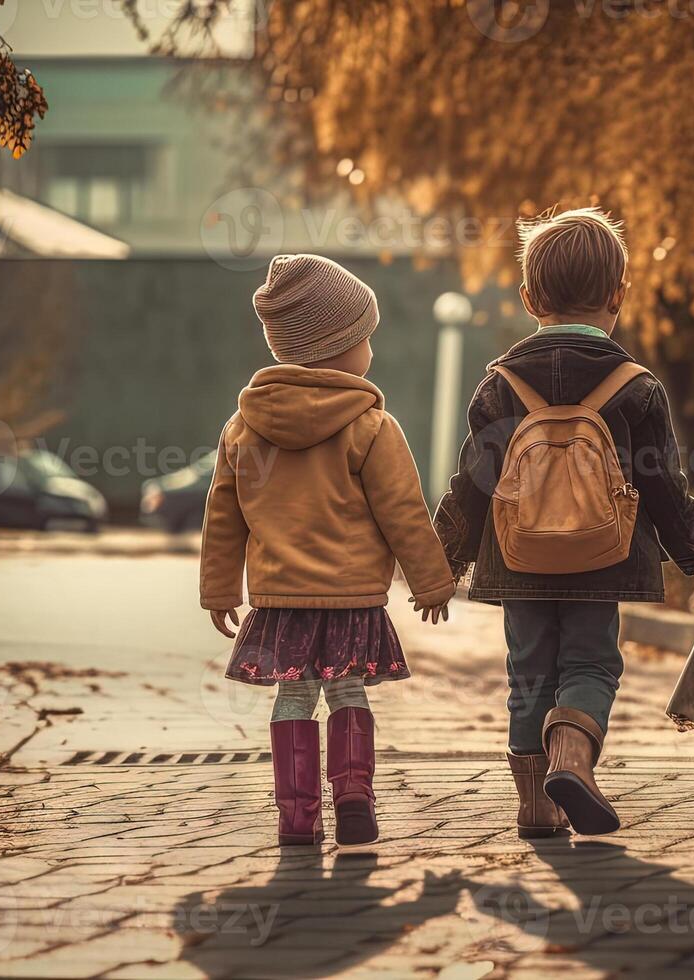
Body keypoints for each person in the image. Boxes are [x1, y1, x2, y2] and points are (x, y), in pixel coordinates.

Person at [433, 208, 694, 837]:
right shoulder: (636, 387)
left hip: (519, 559)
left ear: (529, 296)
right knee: (591, 663)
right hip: (605, 557)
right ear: (619, 294)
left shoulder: (499, 387)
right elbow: (663, 487)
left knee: (528, 670)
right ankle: (572, 753)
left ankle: (536, 804)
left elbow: (472, 483)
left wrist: (444, 561)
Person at [201, 253, 454, 846]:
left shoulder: (244, 427)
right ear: (340, 344)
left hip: (280, 601)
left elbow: (223, 514)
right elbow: (403, 511)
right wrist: (433, 582)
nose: (371, 348)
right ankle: (354, 796)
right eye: (366, 336)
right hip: (350, 598)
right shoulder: (370, 426)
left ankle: (296, 815)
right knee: (346, 689)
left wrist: (218, 590)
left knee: (293, 695)